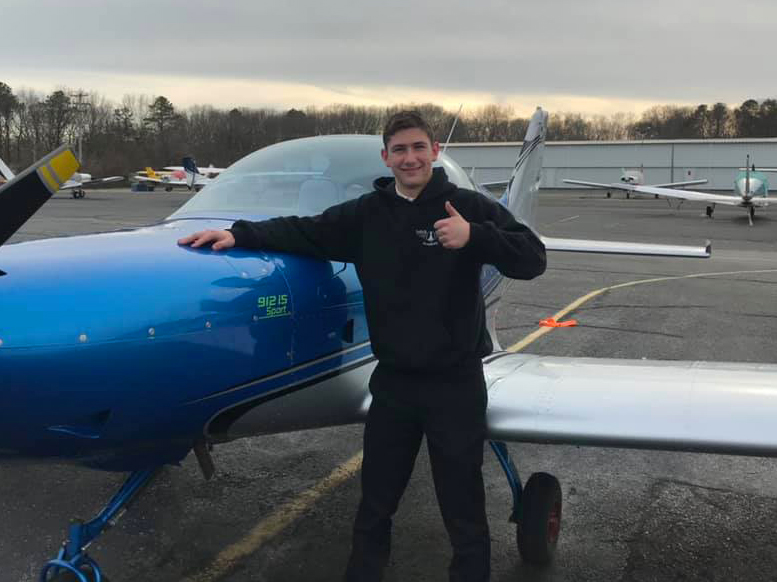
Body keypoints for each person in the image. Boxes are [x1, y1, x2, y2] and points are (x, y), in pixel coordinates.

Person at [178, 111, 546, 581]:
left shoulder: (468, 208)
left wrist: (475, 236)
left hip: (455, 383)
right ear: (386, 157)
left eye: (418, 148)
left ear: (435, 152)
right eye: (400, 150)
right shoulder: (367, 215)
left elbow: (533, 258)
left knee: (463, 505)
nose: (409, 158)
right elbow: (304, 229)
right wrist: (239, 234)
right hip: (392, 382)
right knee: (376, 501)